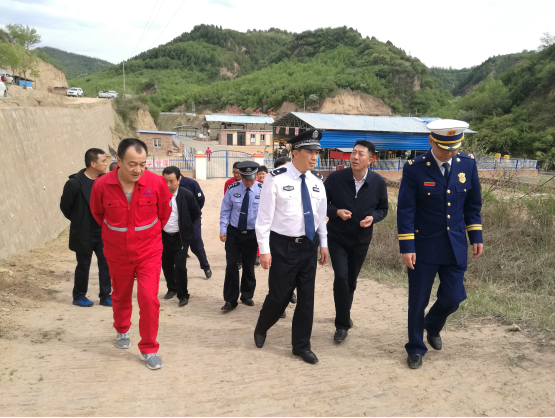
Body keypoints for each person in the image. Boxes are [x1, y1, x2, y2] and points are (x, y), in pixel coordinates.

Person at [397, 120, 484, 370]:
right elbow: (406, 210)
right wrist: (407, 246)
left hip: (455, 245)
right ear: (431, 141)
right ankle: (415, 348)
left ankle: (432, 324)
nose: (450, 153)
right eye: (445, 148)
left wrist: (476, 236)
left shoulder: (467, 164)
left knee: (454, 297)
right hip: (423, 246)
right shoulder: (415, 168)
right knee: (418, 301)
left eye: (455, 148)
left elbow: (472, 205)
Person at [90, 138, 173, 371]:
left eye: (143, 164)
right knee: (121, 295)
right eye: (132, 164)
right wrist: (119, 234)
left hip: (149, 251)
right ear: (118, 161)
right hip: (117, 252)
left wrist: (145, 235)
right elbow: (98, 214)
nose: (138, 169)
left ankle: (149, 348)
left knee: (148, 298)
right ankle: (122, 328)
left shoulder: (155, 183)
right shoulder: (102, 185)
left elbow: (164, 213)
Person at [254, 129, 329, 365]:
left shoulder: (317, 181)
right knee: (279, 297)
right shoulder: (276, 178)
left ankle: (301, 346)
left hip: (308, 246)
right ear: (295, 152)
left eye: (317, 152)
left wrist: (323, 244)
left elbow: (320, 217)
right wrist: (264, 250)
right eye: (310, 151)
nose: (315, 157)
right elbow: (263, 219)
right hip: (282, 246)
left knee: (306, 299)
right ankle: (262, 325)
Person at [325, 140, 389, 342]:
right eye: (354, 153)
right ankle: (342, 325)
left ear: (370, 159)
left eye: (361, 154)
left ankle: (344, 314)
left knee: (351, 280)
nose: (355, 157)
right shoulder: (336, 178)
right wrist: (336, 211)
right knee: (341, 278)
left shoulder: (378, 182)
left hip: (361, 240)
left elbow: (383, 209)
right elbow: (321, 204)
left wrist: (373, 218)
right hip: (337, 237)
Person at [60, 148, 112, 308]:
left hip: (102, 231)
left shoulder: (105, 181)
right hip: (83, 232)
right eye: (103, 161)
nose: (106, 164)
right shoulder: (74, 183)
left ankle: (105, 296)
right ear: (93, 163)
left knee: (106, 264)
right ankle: (79, 296)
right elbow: (65, 207)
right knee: (83, 265)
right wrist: (79, 220)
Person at [219, 162, 262, 311]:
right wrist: (223, 229)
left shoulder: (262, 190)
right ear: (241, 176)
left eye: (251, 179)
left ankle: (247, 295)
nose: (249, 182)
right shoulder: (232, 189)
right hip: (234, 232)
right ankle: (230, 300)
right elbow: (225, 210)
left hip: (252, 233)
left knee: (249, 264)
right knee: (231, 264)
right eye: (246, 179)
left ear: (256, 176)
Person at [162, 166, 201, 306]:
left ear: (179, 179)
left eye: (171, 181)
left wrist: (187, 226)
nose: (168, 184)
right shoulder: (160, 194)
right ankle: (171, 288)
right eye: (165, 181)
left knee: (180, 266)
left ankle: (183, 294)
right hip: (164, 236)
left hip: (181, 237)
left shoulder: (186, 195)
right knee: (166, 264)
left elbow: (196, 213)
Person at [179, 174, 212, 279]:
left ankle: (206, 267)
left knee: (196, 245)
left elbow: (200, 199)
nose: (169, 183)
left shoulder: (191, 183)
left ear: (178, 177)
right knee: (179, 247)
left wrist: (194, 212)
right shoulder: (167, 185)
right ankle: (179, 273)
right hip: (177, 220)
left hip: (193, 219)